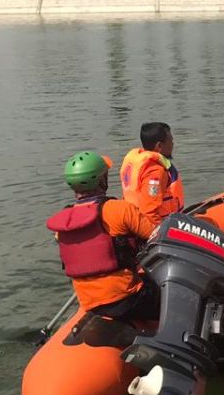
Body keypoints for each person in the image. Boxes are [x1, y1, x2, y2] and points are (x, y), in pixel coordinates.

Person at [45, 151, 159, 321]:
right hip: (126, 300)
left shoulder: (64, 223)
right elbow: (157, 236)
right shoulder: (120, 209)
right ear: (101, 180)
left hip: (89, 303)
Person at [119, 122, 184, 226]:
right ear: (159, 145)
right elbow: (149, 212)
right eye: (171, 141)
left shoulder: (140, 162)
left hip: (135, 220)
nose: (172, 144)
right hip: (153, 227)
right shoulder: (155, 173)